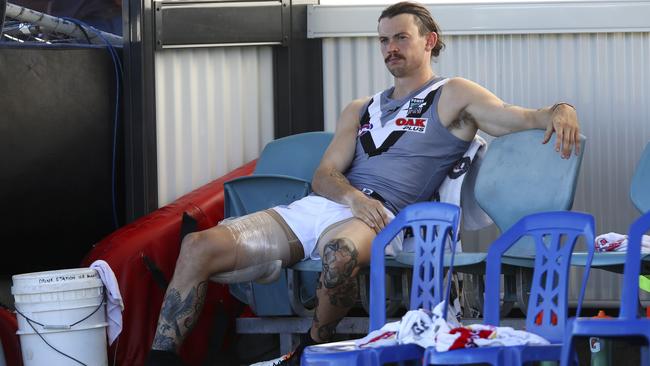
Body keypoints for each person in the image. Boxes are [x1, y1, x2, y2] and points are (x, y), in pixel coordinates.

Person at [145, 2, 580, 365]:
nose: (390, 48)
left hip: (386, 217)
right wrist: (349, 196)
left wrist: (557, 110)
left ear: (429, 41)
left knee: (341, 254)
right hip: (326, 207)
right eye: (384, 40)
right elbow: (324, 175)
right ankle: (160, 359)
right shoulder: (360, 108)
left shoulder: (452, 93)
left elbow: (513, 117)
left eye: (401, 37)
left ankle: (311, 348)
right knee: (197, 247)